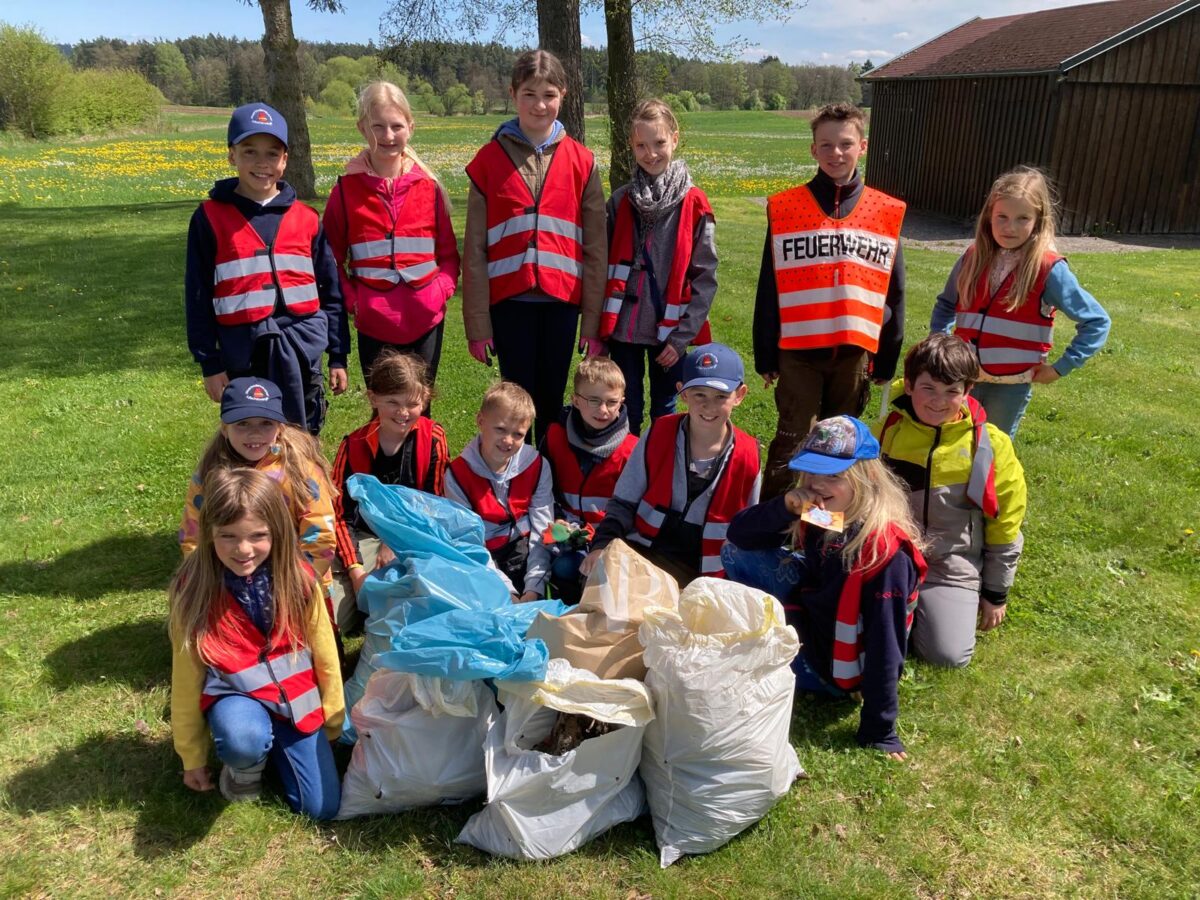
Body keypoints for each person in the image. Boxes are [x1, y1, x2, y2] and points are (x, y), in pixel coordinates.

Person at [724, 416, 926, 759]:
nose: (817, 485)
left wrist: (880, 729)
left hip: (833, 665)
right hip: (815, 617)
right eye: (811, 472)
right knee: (735, 551)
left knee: (739, 657)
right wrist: (786, 506)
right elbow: (739, 536)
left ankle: (806, 670)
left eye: (833, 476)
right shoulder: (828, 514)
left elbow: (885, 643)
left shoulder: (884, 554)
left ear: (866, 478)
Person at [169, 467, 343, 818]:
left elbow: (326, 655)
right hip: (237, 697)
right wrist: (192, 756)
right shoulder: (194, 590)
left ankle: (274, 748)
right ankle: (244, 768)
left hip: (294, 701)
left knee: (321, 809)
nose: (243, 549)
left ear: (277, 531)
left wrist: (333, 719)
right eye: (228, 536)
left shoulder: (300, 579)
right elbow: (186, 677)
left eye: (258, 535)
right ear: (209, 534)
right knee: (243, 737)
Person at [754, 102, 907, 498]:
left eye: (845, 144)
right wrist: (765, 354)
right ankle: (775, 521)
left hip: (853, 354)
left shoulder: (885, 211)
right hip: (798, 352)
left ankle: (829, 520)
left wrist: (887, 357)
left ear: (863, 146)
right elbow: (769, 283)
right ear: (813, 149)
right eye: (826, 145)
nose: (836, 153)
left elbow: (894, 289)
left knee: (841, 447)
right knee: (793, 442)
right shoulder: (786, 207)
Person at [462, 49, 607, 444]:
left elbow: (597, 250)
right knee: (515, 404)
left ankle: (548, 472)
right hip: (510, 304)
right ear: (513, 94)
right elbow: (474, 251)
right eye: (529, 94)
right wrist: (478, 326)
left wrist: (593, 324)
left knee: (552, 400)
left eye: (548, 95)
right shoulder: (488, 161)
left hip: (562, 303)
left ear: (563, 96)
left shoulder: (583, 162)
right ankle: (517, 472)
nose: (539, 105)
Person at [185, 102, 349, 435]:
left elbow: (330, 292)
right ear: (232, 155)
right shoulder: (209, 218)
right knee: (251, 439)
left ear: (285, 160)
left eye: (272, 154)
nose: (262, 163)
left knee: (303, 437)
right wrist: (210, 363)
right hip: (243, 353)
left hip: (302, 350)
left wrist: (337, 355)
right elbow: (197, 296)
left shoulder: (307, 219)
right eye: (250, 152)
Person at [876, 334, 1026, 668]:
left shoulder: (990, 445)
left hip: (951, 564)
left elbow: (1006, 523)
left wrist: (995, 592)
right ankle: (905, 608)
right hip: (892, 558)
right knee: (860, 630)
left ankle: (925, 609)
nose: (938, 401)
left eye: (951, 391)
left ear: (968, 391)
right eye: (928, 388)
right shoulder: (886, 431)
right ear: (909, 385)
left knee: (947, 656)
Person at [930, 166, 1111, 438]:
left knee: (993, 449)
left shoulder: (1048, 269)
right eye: (1001, 216)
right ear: (989, 216)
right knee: (951, 444)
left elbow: (1096, 321)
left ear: (1038, 220)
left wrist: (1061, 368)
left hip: (1010, 387)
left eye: (1022, 218)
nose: (1009, 227)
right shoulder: (972, 257)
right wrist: (940, 345)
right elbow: (946, 304)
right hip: (960, 378)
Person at [582, 343, 761, 587]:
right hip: (643, 555)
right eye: (699, 394)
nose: (709, 406)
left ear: (739, 395)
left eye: (721, 396)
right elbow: (623, 502)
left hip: (706, 576)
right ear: (682, 393)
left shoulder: (748, 455)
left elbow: (747, 532)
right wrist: (601, 545)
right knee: (598, 586)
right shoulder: (659, 434)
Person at [323, 81, 460, 387]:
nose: (387, 136)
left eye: (396, 126)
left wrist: (439, 292)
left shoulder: (429, 188)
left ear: (410, 128)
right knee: (383, 407)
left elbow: (449, 256)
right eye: (378, 126)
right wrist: (354, 301)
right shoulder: (345, 192)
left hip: (425, 319)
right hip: (374, 322)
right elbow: (329, 260)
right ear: (362, 128)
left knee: (420, 406)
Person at [601, 98, 717, 435]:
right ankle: (628, 462)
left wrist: (682, 337)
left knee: (665, 408)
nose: (651, 153)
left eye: (659, 143)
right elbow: (602, 265)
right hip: (624, 327)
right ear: (631, 146)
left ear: (674, 140)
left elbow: (705, 277)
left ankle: (661, 462)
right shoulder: (621, 200)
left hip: (670, 331)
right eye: (641, 145)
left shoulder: (695, 203)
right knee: (627, 406)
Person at [179, 378, 338, 598]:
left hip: (295, 584)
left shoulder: (301, 472)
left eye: (266, 423)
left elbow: (320, 537)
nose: (255, 433)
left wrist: (297, 585)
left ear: (280, 428)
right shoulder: (209, 474)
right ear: (225, 428)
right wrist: (209, 582)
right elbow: (194, 535)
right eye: (243, 423)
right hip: (229, 583)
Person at [329, 351, 449, 632]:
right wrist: (355, 570)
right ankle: (369, 597)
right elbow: (338, 515)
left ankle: (384, 603)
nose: (403, 413)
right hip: (363, 539)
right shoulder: (353, 445)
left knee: (416, 600)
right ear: (373, 399)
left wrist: (394, 542)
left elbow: (433, 503)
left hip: (414, 538)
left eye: (412, 404)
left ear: (425, 399)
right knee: (335, 616)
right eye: (392, 402)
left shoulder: (433, 439)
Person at [540, 356, 639, 603]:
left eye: (611, 402)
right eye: (593, 400)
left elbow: (633, 511)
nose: (603, 410)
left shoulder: (632, 450)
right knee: (564, 567)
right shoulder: (554, 437)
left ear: (622, 402)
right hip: (564, 534)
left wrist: (603, 543)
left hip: (610, 540)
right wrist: (557, 518)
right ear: (575, 400)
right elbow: (542, 490)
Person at [444, 382, 554, 600]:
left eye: (518, 434)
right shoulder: (457, 474)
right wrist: (506, 591)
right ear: (480, 421)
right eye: (500, 429)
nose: (508, 441)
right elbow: (468, 542)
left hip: (523, 547)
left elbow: (543, 530)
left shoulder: (537, 466)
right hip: (481, 554)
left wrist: (534, 588)